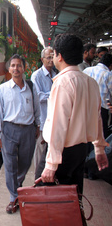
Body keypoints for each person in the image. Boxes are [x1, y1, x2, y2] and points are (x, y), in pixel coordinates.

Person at [41, 34, 109, 197]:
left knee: (56, 202)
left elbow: (58, 125)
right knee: (74, 196)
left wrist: (51, 163)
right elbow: (97, 117)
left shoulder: (62, 82)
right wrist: (99, 148)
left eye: (54, 54)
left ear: (60, 56)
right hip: (81, 149)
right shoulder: (90, 82)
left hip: (63, 153)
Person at [0, 54, 40, 214]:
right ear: (9, 68)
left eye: (19, 65)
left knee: (25, 164)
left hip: (28, 131)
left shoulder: (32, 88)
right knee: (10, 165)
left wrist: (38, 126)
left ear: (24, 68)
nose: (16, 68)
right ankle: (14, 197)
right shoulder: (2, 89)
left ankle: (17, 185)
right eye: (13, 65)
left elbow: (38, 109)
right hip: (9, 130)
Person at [30, 47, 56, 179]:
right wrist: (55, 94)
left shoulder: (55, 75)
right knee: (40, 151)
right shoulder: (37, 76)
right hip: (43, 120)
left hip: (54, 119)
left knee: (51, 150)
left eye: (53, 57)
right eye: (48, 57)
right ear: (42, 59)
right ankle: (37, 178)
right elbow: (38, 96)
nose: (51, 60)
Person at [83, 53, 112, 138]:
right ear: (110, 65)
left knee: (89, 133)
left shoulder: (87, 70)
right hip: (102, 109)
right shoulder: (107, 74)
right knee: (101, 134)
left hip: (87, 107)